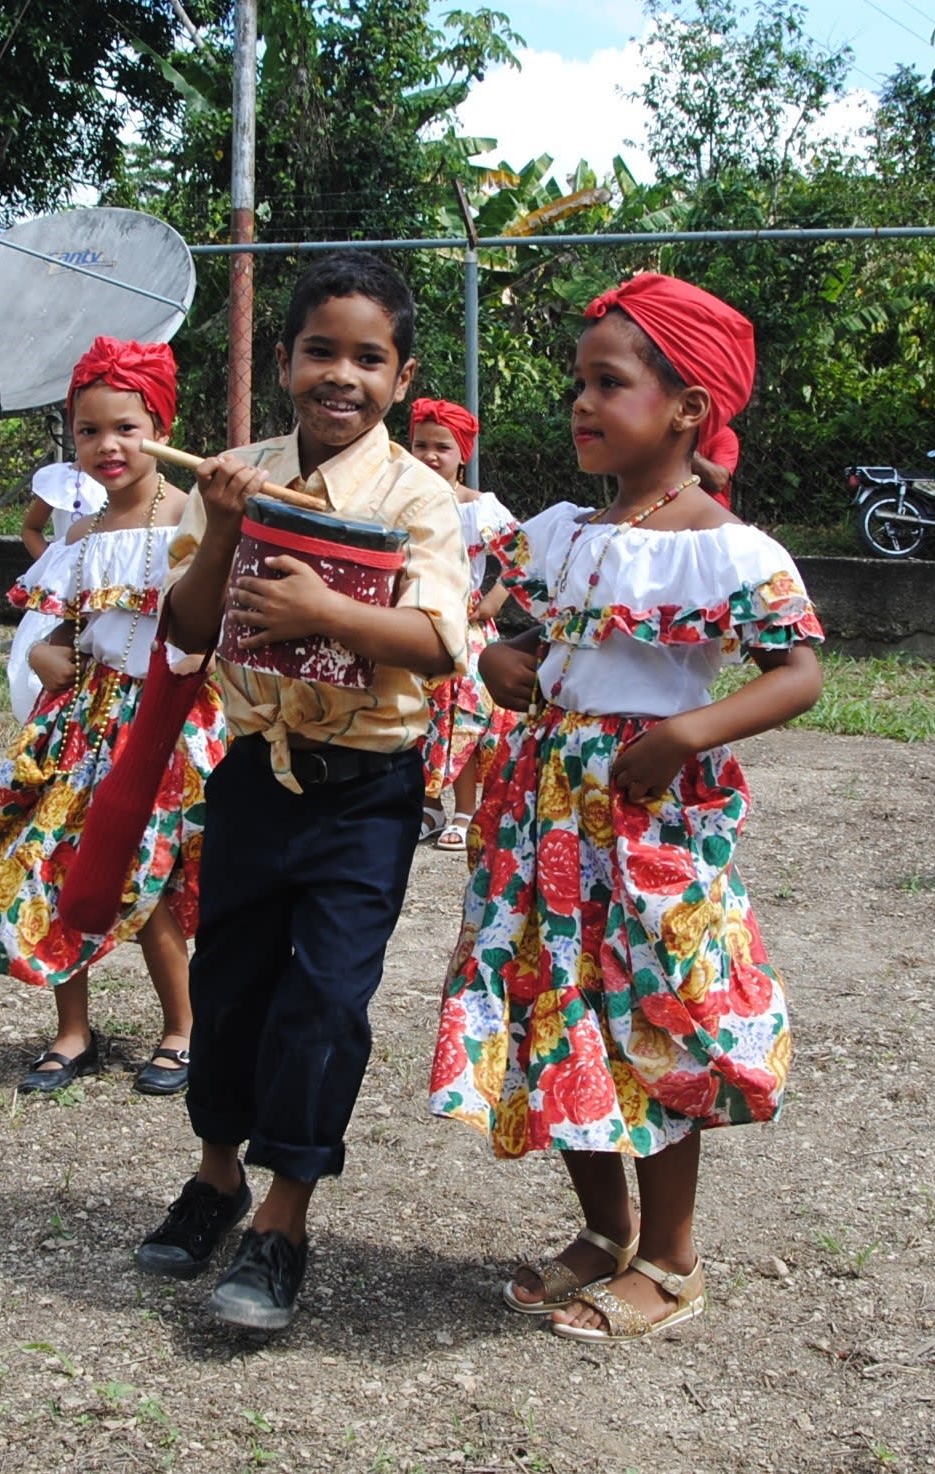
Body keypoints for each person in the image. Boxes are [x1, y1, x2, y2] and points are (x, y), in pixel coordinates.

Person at [429, 272, 824, 1343]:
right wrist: (507, 664)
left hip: (645, 824)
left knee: (651, 1022)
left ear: (688, 408)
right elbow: (517, 637)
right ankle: (603, 1234)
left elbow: (797, 672)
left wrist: (689, 732)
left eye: (609, 383)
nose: (581, 403)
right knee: (554, 1011)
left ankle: (672, 1256)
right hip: (542, 816)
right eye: (578, 382)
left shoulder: (725, 550)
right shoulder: (555, 531)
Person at [135, 251, 471, 1330]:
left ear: (400, 374)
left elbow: (433, 641)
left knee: (325, 998)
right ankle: (216, 1175)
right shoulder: (226, 473)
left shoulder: (421, 499)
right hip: (250, 778)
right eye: (319, 350)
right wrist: (224, 526)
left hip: (364, 791)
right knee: (228, 981)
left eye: (366, 358)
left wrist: (323, 612)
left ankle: (282, 1221)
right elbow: (185, 632)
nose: (341, 375)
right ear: (284, 360)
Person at [0, 337, 228, 1097]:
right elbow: (58, 638)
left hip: (166, 722)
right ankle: (73, 1030)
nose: (106, 445)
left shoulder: (194, 523)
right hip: (82, 726)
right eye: (87, 430)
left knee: (146, 879)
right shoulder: (79, 537)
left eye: (126, 428)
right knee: (58, 867)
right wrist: (53, 660)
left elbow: (207, 631)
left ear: (161, 425)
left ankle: (183, 1028)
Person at [409, 397, 517, 853]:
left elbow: (520, 560)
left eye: (441, 447)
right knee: (416, 713)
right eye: (420, 445)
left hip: (464, 629)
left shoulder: (478, 509)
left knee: (464, 716)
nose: (430, 456)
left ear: (462, 454)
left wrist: (492, 600)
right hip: (413, 621)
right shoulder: (403, 500)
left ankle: (464, 808)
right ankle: (428, 804)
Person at [7, 460, 108, 724]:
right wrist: (55, 568)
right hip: (65, 596)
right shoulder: (60, 480)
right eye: (88, 430)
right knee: (41, 678)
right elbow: (31, 529)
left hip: (109, 596)